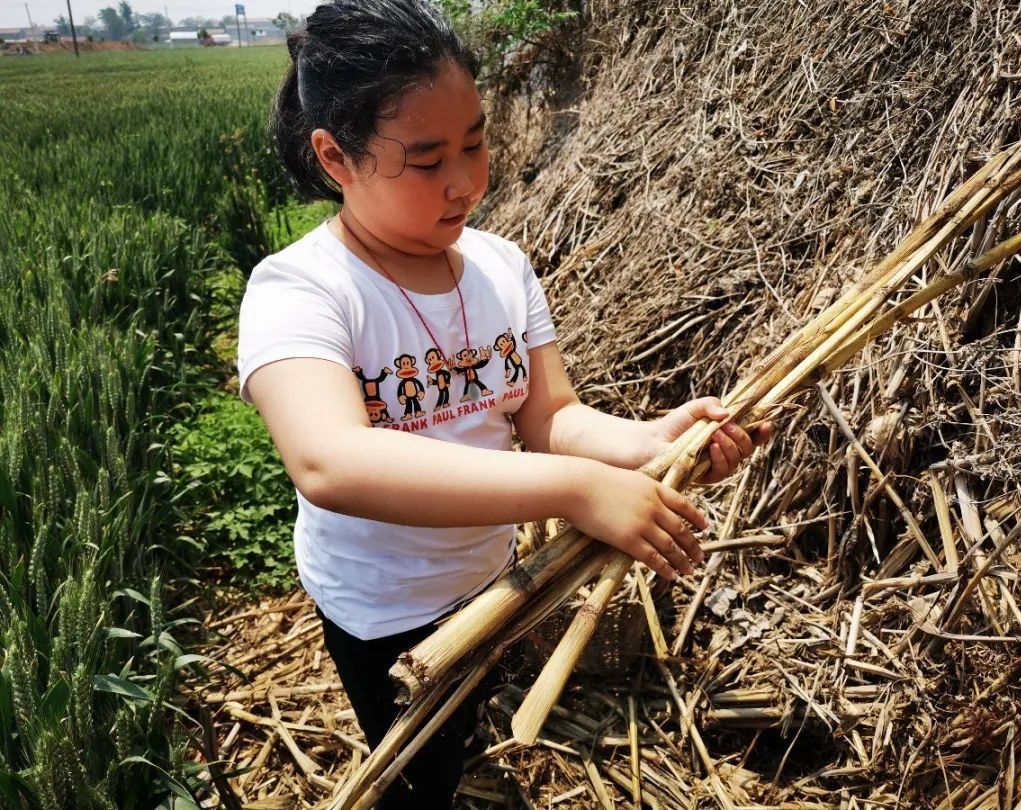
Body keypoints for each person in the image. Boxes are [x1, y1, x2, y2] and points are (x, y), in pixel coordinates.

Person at [237, 1, 771, 805]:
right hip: (382, 611)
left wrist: (654, 440)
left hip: (492, 579)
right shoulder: (301, 290)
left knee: (467, 719)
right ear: (335, 157)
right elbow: (328, 460)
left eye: (477, 142)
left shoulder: (501, 268)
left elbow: (550, 416)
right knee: (418, 776)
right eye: (426, 160)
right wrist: (575, 490)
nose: (466, 180)